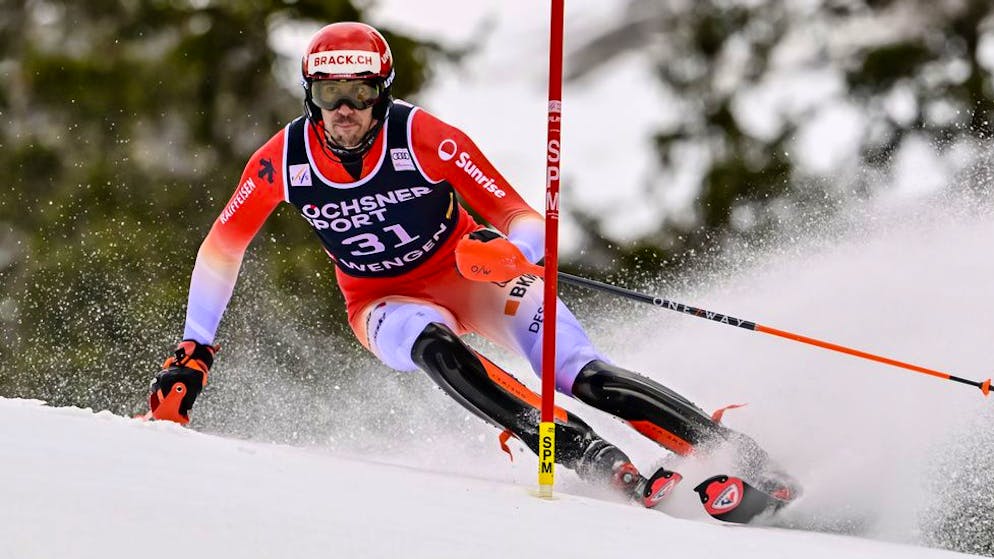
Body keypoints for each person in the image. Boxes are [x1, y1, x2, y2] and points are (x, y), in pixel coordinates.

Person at [144, 21, 795, 508]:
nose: (345, 108)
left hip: (475, 275)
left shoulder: (426, 138)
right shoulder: (280, 161)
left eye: (360, 90)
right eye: (330, 92)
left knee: (582, 375)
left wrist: (514, 250)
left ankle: (751, 463)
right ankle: (591, 456)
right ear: (310, 95)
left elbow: (522, 217)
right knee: (435, 348)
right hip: (382, 302)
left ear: (382, 90)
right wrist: (194, 349)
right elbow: (220, 248)